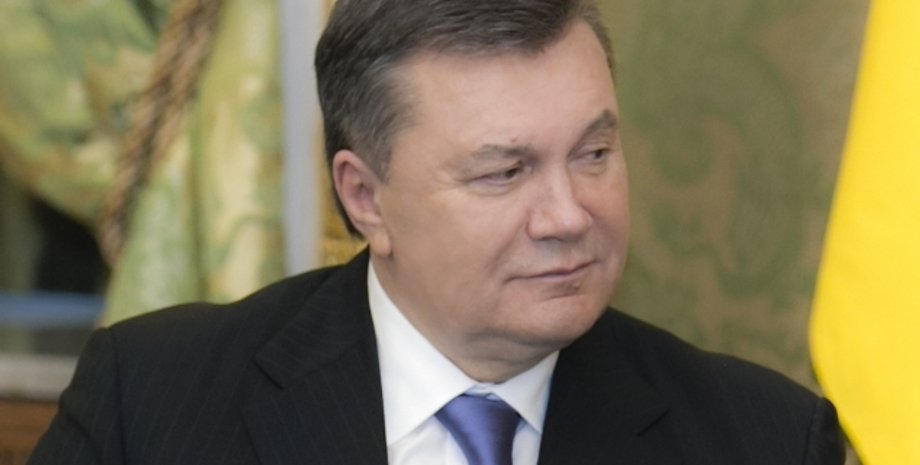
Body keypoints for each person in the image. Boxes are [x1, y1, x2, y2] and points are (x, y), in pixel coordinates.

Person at [28, 0, 845, 464]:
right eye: (505, 172)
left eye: (593, 153)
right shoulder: (151, 402)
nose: (569, 215)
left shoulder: (764, 439)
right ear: (366, 198)